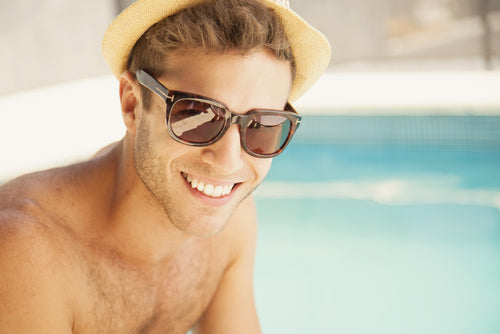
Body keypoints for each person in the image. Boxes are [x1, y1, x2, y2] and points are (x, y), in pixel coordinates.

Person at [0, 0, 330, 332]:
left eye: (262, 126)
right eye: (197, 115)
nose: (229, 162)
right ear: (132, 105)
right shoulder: (27, 253)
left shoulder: (232, 219)